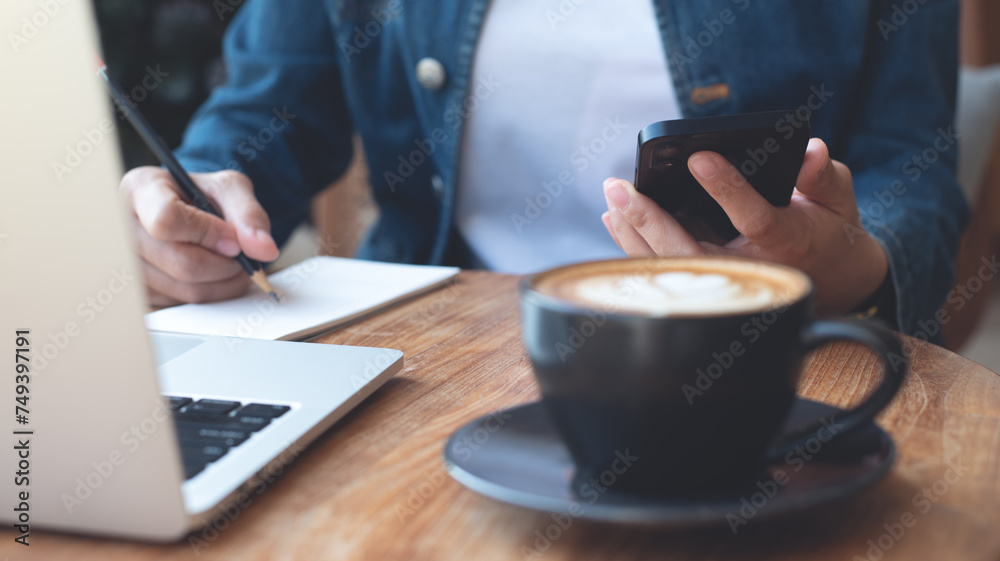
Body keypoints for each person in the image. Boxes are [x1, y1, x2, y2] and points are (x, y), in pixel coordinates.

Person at [120, 0, 967, 337]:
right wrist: (196, 196)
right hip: (415, 349)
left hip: (760, 356)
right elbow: (270, 109)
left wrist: (855, 264)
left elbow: (910, 163)